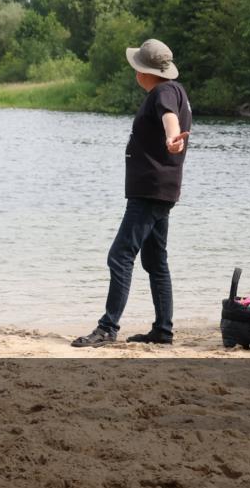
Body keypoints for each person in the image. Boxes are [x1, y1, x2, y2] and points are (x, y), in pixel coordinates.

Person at [72, 39, 191, 347]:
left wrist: (172, 138)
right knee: (155, 260)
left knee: (120, 256)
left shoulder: (163, 92)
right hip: (161, 189)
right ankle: (163, 330)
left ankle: (108, 328)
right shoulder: (175, 91)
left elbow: (169, 119)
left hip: (150, 191)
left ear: (144, 72)